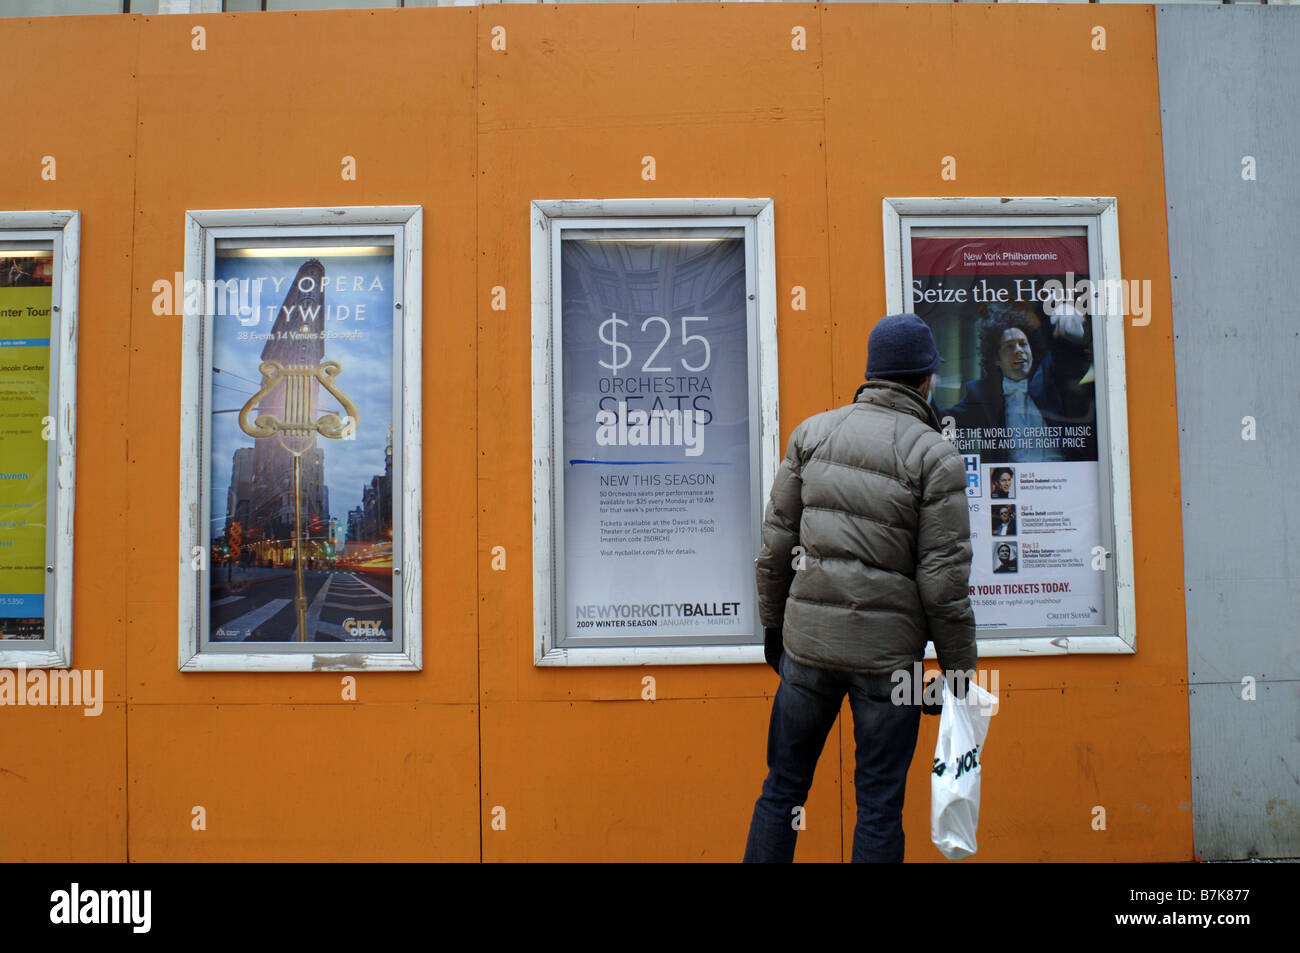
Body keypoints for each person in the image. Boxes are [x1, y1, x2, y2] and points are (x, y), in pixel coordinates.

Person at [745, 313, 977, 863]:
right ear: (924, 380)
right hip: (889, 666)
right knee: (878, 806)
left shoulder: (812, 434)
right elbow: (943, 584)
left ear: (872, 374)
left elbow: (775, 548)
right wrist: (959, 673)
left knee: (782, 791)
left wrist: (775, 628)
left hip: (806, 653)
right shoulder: (934, 455)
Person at [945, 303, 1094, 464]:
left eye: (1023, 344)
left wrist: (1072, 336)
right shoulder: (982, 393)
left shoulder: (1050, 375)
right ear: (996, 359)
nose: (1019, 350)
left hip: (1063, 480)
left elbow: (1071, 363)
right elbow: (944, 422)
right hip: (1013, 483)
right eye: (1009, 346)